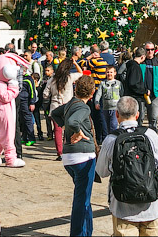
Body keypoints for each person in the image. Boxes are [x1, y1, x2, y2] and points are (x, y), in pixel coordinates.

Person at [95, 95, 158, 237]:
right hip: (152, 205)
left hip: (123, 207)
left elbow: (101, 171)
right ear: (138, 114)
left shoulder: (111, 140)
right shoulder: (151, 135)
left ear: (117, 114)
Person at [51, 75, 98, 237]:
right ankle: (78, 233)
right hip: (83, 156)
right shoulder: (84, 108)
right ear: (92, 93)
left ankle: (87, 232)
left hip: (69, 157)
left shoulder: (70, 103)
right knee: (82, 199)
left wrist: (68, 128)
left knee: (85, 197)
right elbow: (72, 121)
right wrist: (77, 132)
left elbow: (54, 114)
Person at [48, 55, 82, 161]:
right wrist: (75, 64)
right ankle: (68, 150)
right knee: (68, 129)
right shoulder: (70, 77)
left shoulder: (52, 79)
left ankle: (60, 152)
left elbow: (45, 94)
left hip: (54, 106)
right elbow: (81, 73)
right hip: (67, 106)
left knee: (57, 131)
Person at [140, 43, 158, 131]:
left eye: (152, 49)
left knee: (153, 117)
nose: (150, 52)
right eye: (147, 50)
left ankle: (153, 136)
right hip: (141, 94)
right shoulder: (140, 62)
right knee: (140, 116)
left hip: (155, 94)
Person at [95, 65, 122, 135]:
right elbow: (98, 94)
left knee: (113, 125)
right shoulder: (103, 83)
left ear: (115, 73)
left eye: (111, 72)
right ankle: (109, 141)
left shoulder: (118, 83)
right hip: (106, 108)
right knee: (107, 127)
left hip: (115, 108)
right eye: (107, 72)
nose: (109, 74)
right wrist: (96, 102)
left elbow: (122, 94)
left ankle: (113, 140)